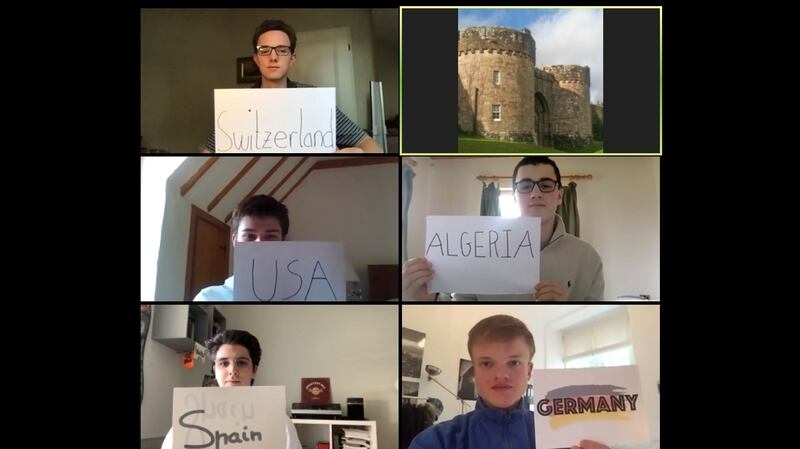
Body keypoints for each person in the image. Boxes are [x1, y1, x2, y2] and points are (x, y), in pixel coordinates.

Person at [402, 156, 604, 301]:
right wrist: (427, 301)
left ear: (559, 195)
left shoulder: (588, 258)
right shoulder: (481, 249)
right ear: (515, 196)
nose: (535, 193)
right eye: (525, 186)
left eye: (546, 185)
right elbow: (461, 304)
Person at [408, 314, 610, 449]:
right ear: (474, 371)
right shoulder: (435, 442)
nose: (501, 375)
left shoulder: (568, 438)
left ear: (529, 371)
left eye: (513, 362)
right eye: (487, 364)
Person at [201, 19, 382, 154]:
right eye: (264, 50)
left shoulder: (316, 100)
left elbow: (369, 143)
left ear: (292, 58)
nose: (273, 57)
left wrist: (359, 155)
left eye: (282, 50)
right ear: (256, 59)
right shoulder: (236, 104)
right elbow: (208, 151)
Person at [161, 329, 302, 449]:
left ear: (254, 370)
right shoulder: (188, 422)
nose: (232, 370)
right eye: (224, 363)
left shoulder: (280, 424)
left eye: (241, 363)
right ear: (215, 370)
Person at [194, 194, 288, 301]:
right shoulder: (208, 298)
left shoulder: (302, 296)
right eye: (249, 236)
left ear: (283, 243)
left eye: (270, 236)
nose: (260, 245)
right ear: (235, 241)